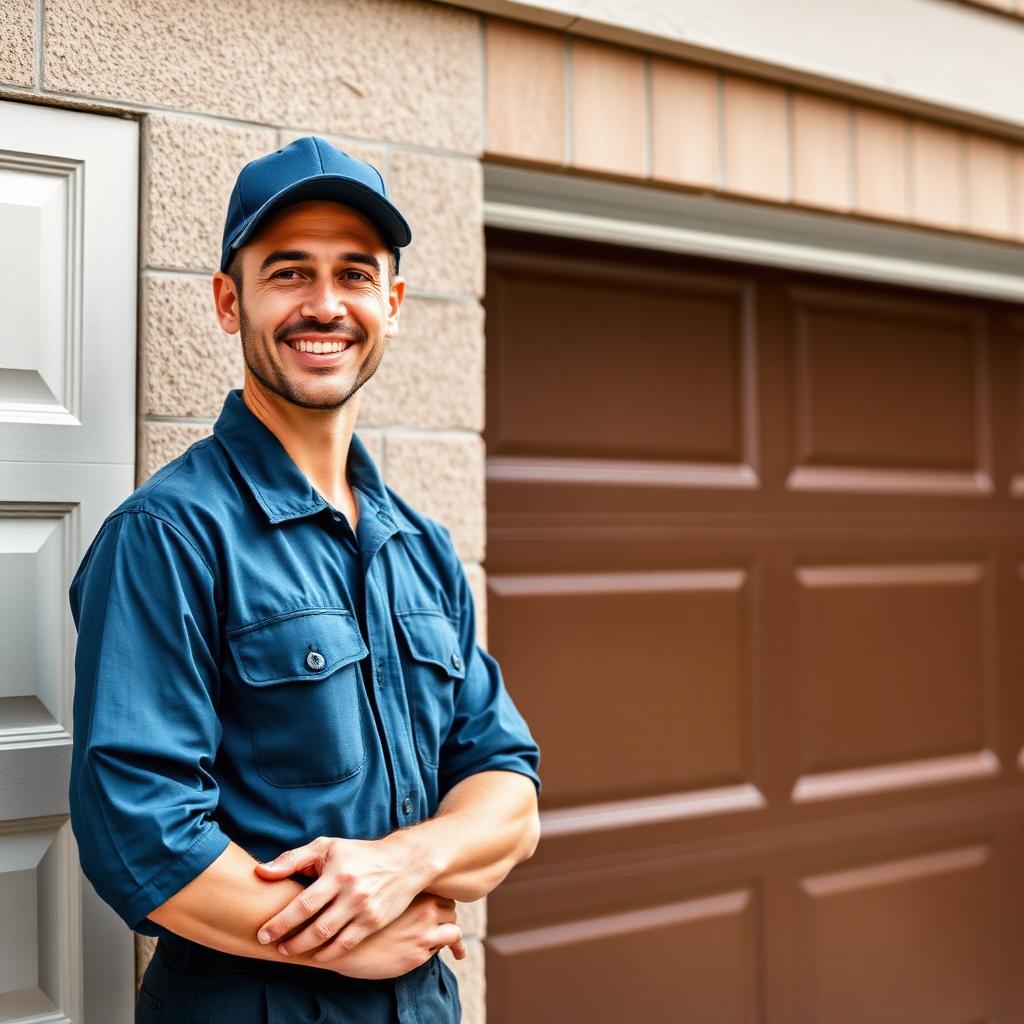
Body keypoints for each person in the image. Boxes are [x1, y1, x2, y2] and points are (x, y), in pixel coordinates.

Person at [68, 135, 542, 1023]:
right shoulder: (169, 535)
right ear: (226, 299)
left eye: (355, 275)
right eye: (288, 273)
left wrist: (405, 863)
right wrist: (349, 936)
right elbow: (139, 833)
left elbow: (508, 793)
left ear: (392, 303)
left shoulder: (421, 547)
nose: (324, 305)